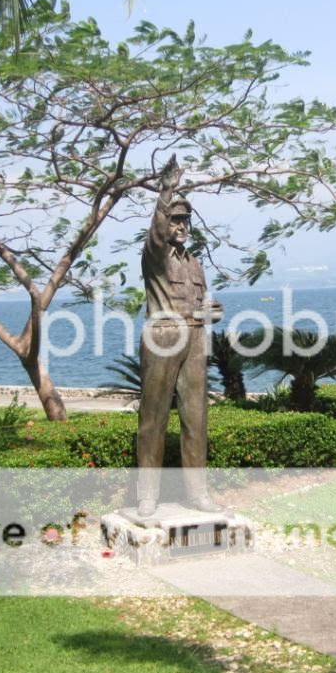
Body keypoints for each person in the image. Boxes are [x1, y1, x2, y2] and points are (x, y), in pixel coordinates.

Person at [136, 156, 222, 517]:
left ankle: (198, 493)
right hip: (163, 335)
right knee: (154, 418)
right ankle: (147, 495)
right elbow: (156, 234)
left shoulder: (194, 263)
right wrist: (166, 192)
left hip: (196, 339)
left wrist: (208, 312)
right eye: (175, 219)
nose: (181, 226)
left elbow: (197, 302)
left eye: (185, 220)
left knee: (196, 418)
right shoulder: (155, 256)